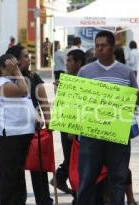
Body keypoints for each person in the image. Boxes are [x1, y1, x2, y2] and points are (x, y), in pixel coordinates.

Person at [76, 30, 138, 205]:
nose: (99, 49)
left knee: (118, 179)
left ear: (112, 47)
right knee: (87, 179)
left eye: (103, 46)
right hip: (91, 135)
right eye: (97, 46)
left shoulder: (127, 72)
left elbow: (133, 103)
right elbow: (76, 102)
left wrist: (137, 100)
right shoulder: (85, 71)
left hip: (118, 136)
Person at [6, 44, 53, 205]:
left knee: (38, 170)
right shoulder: (4, 79)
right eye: (25, 56)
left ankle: (44, 201)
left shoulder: (34, 77)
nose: (29, 58)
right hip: (12, 133)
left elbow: (44, 102)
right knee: (16, 172)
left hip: (34, 131)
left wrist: (48, 122)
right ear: (15, 61)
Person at [0, 54, 36, 205]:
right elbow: (23, 91)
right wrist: (18, 72)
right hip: (9, 135)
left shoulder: (13, 81)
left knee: (18, 175)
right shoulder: (1, 82)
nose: (17, 66)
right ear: (3, 67)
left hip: (21, 133)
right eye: (14, 64)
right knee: (9, 175)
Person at [50, 49, 86, 197]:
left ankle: (61, 178)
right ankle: (73, 186)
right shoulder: (64, 80)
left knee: (79, 157)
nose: (67, 63)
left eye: (70, 61)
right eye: (67, 60)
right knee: (70, 156)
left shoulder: (87, 79)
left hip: (83, 125)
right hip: (67, 124)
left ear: (79, 63)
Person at [114, 45, 138, 205]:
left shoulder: (125, 72)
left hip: (121, 126)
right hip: (101, 127)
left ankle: (129, 198)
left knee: (122, 165)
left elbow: (135, 98)